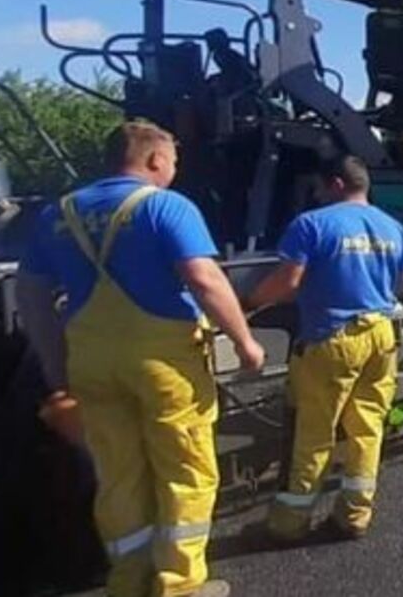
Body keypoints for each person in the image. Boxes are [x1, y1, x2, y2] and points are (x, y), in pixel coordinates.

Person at [15, 120, 264, 597]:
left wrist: (54, 364)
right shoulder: (166, 207)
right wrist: (245, 341)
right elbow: (204, 278)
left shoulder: (57, 214)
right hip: (162, 364)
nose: (174, 170)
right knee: (185, 471)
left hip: (92, 364)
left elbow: (31, 297)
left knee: (119, 476)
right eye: (172, 162)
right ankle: (179, 585)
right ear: (154, 160)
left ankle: (129, 581)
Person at [246, 155, 403, 541]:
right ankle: (354, 516)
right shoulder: (393, 227)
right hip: (382, 335)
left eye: (321, 187)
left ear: (336, 184)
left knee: (315, 432)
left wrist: (246, 304)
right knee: (367, 427)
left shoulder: (312, 224)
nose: (318, 194)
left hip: (332, 338)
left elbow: (286, 284)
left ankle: (290, 523)